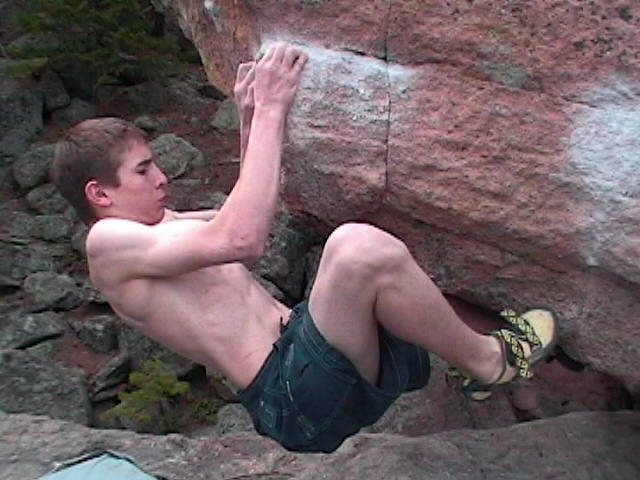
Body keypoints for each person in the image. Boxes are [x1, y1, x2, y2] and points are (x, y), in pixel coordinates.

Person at [51, 42, 557, 453]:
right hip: (292, 394)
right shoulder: (108, 244)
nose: (161, 178)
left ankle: (480, 358)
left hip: (312, 362)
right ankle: (490, 363)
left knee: (404, 268)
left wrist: (250, 115)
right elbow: (242, 239)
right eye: (143, 170)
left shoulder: (159, 227)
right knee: (355, 248)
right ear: (100, 194)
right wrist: (273, 108)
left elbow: (242, 212)